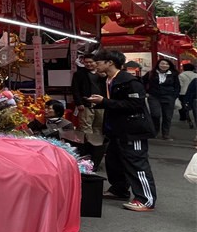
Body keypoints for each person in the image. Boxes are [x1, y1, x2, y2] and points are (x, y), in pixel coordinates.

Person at [86, 49, 157, 211]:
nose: (95, 66)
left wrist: (105, 102)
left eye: (98, 62)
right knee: (114, 161)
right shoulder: (106, 80)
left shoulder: (129, 81)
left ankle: (146, 199)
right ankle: (119, 189)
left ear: (109, 62)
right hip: (116, 129)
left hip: (133, 130)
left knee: (136, 163)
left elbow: (135, 105)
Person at [71, 54, 105, 150]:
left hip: (101, 103)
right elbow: (75, 89)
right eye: (86, 62)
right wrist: (79, 103)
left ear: (96, 62)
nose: (89, 64)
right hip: (86, 104)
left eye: (91, 62)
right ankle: (88, 147)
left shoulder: (102, 74)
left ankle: (98, 146)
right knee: (85, 126)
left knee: (99, 126)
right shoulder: (79, 74)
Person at [144, 58, 180, 140]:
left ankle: (165, 134)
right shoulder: (151, 73)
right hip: (154, 96)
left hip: (168, 97)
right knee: (155, 114)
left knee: (167, 116)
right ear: (158, 64)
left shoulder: (173, 74)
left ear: (169, 65)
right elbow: (143, 82)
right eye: (162, 64)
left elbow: (177, 86)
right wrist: (145, 92)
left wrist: (174, 97)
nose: (164, 65)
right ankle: (155, 131)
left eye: (166, 64)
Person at [178, 63, 196, 129]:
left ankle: (185, 118)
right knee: (194, 107)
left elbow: (180, 85)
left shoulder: (181, 75)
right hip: (194, 93)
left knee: (184, 106)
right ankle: (194, 117)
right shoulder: (195, 75)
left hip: (183, 93)